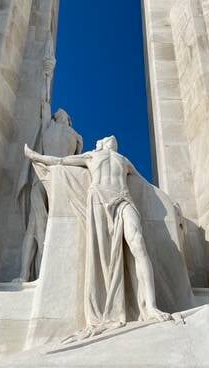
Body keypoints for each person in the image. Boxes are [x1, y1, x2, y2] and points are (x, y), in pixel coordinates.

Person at [24, 136, 172, 333]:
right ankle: (107, 306)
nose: (112, 138)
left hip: (123, 199)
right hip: (98, 199)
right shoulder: (91, 156)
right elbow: (61, 161)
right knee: (102, 251)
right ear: (100, 143)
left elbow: (145, 185)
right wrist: (37, 157)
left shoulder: (124, 160)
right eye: (107, 138)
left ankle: (151, 306)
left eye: (114, 138)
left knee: (138, 243)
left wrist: (170, 205)